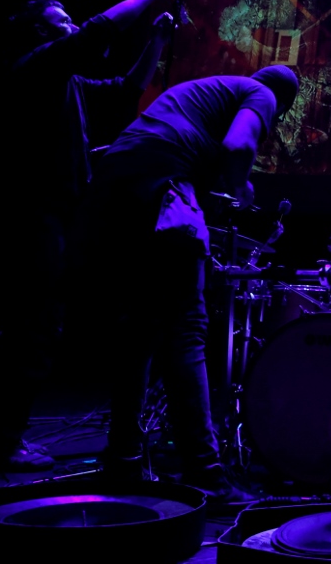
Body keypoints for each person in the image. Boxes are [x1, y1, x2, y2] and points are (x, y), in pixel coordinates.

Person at [0, 0, 183, 472]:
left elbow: (126, 89)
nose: (74, 26)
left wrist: (155, 40)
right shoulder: (38, 66)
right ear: (41, 33)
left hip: (53, 218)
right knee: (32, 331)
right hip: (33, 219)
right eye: (62, 21)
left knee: (33, 329)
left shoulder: (67, 82)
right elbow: (98, 31)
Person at [88, 65, 299, 500]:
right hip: (160, 186)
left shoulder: (207, 91)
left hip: (114, 188)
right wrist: (240, 188)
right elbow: (238, 145)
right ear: (282, 105)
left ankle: (122, 459)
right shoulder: (260, 94)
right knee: (185, 329)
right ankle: (205, 473)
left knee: (140, 331)